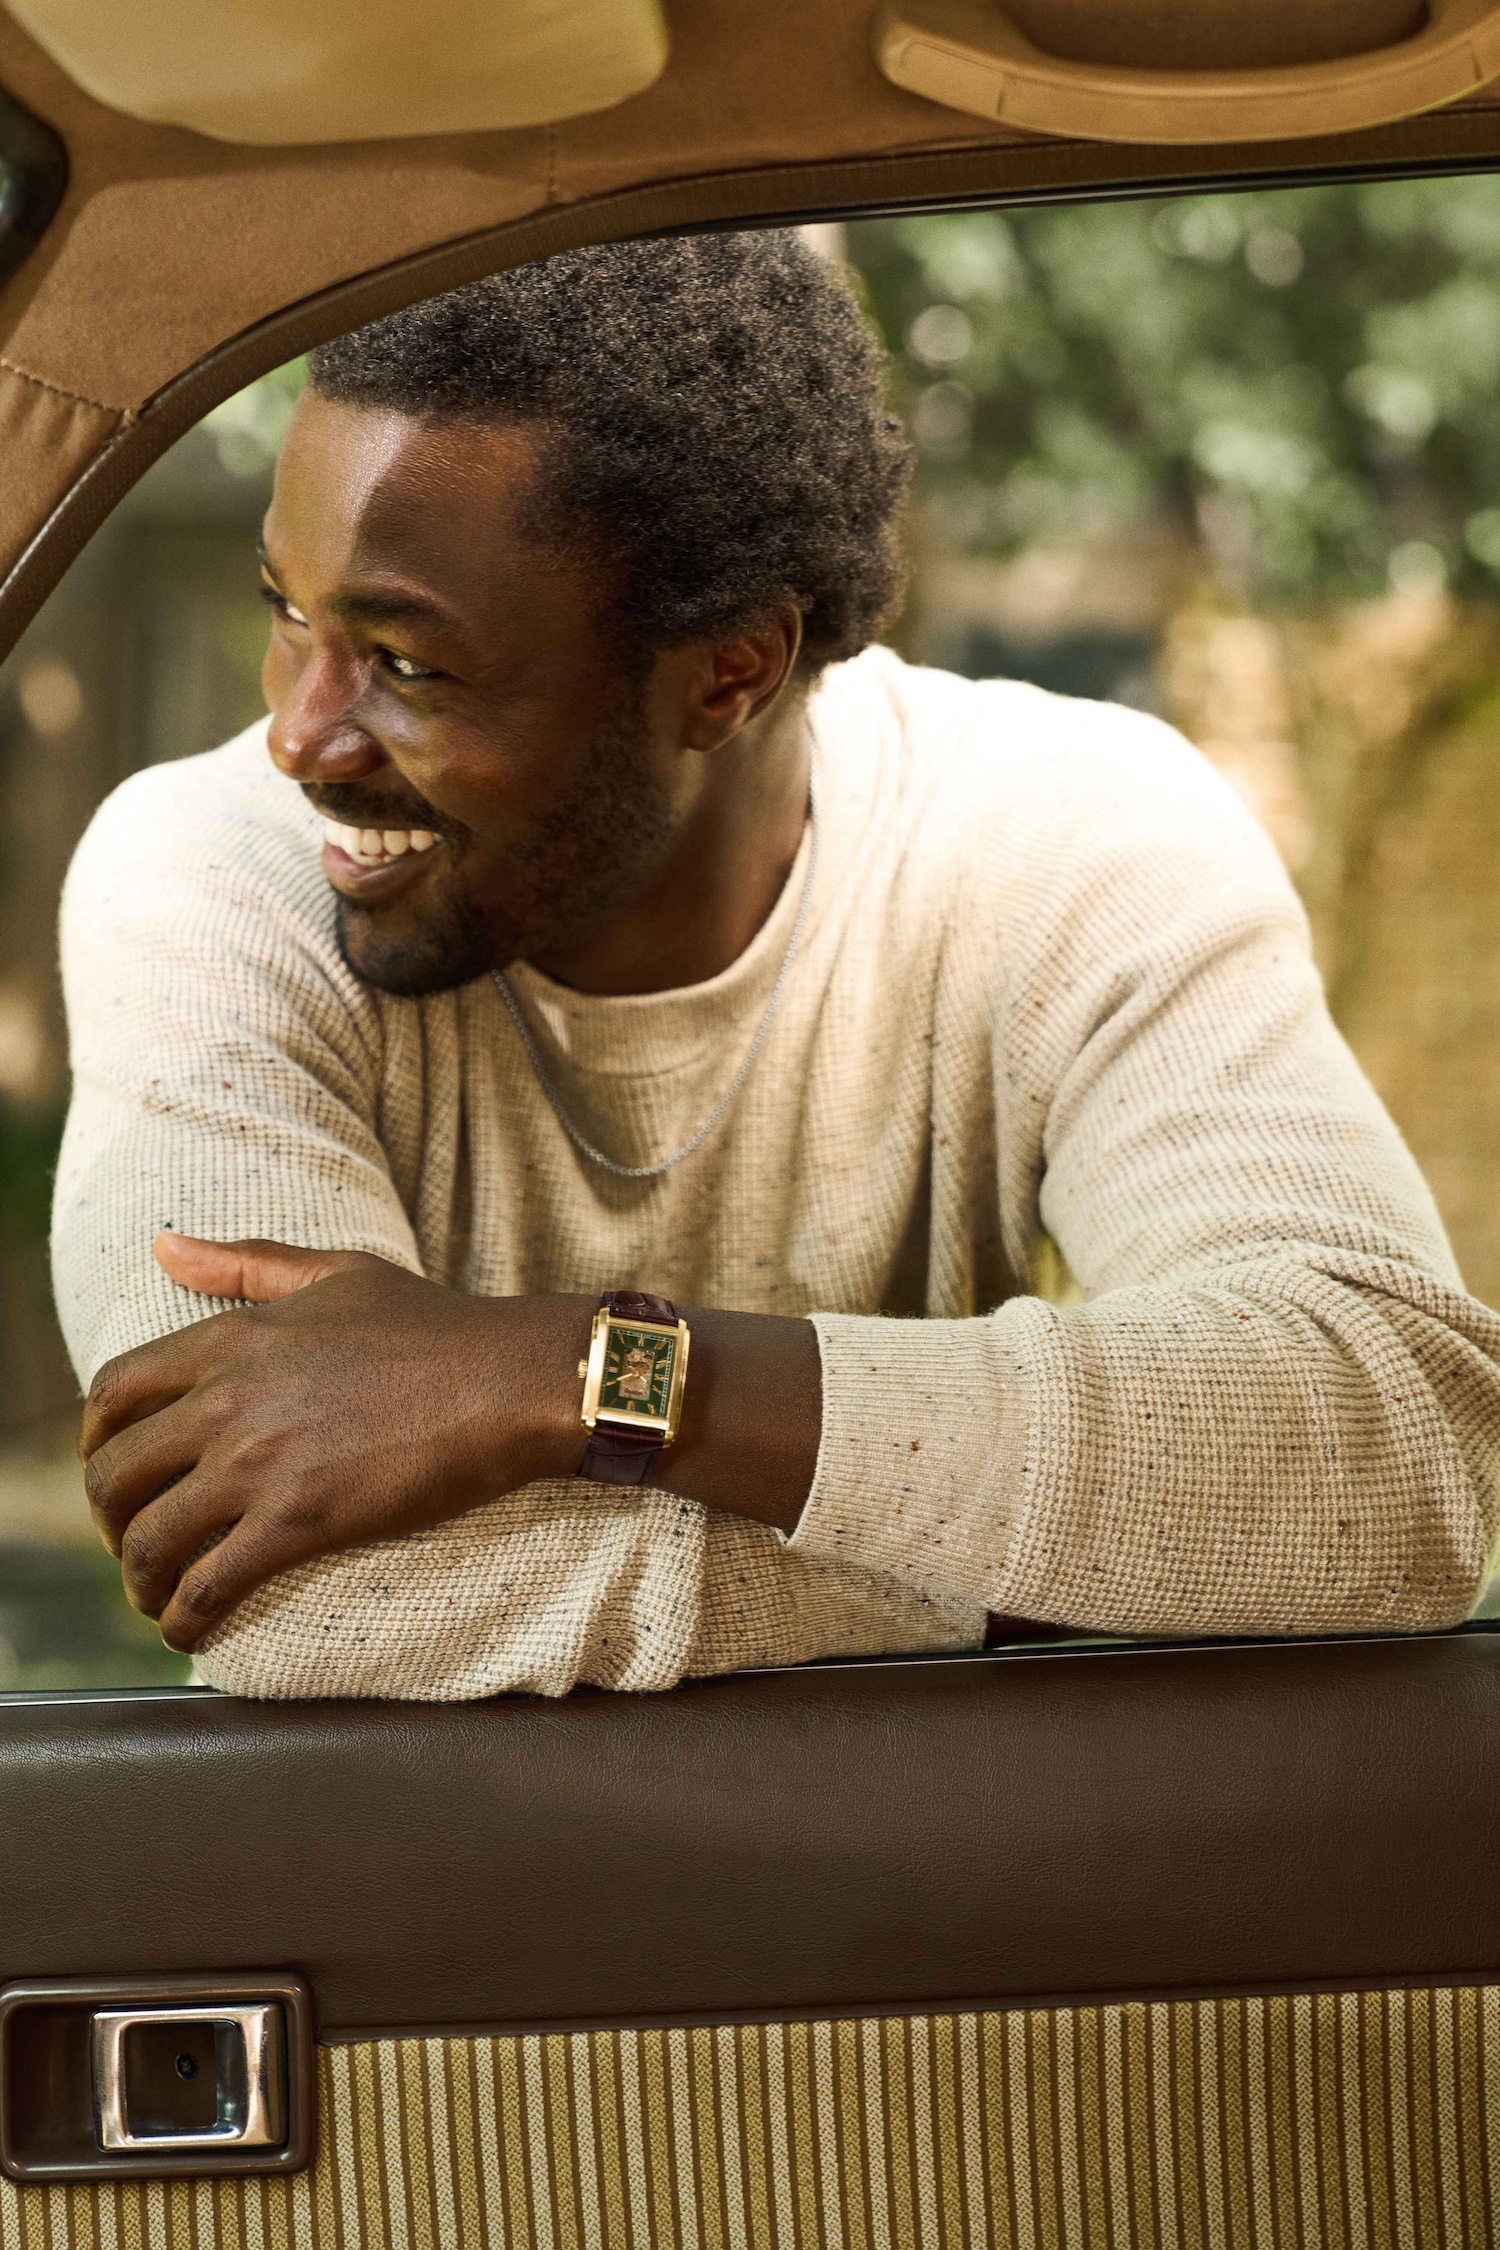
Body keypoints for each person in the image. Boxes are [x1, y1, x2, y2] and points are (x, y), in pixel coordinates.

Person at [54, 231, 1500, 1702]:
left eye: (410, 665)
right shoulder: (211, 873)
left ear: (730, 671)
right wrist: (1105, 1566)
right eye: (286, 610)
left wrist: (578, 1372)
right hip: (473, 1868)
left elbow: (1399, 1455)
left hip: (978, 1851)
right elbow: (295, 1593)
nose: (298, 734)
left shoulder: (1065, 838)